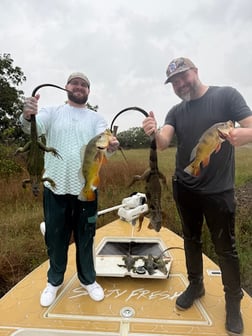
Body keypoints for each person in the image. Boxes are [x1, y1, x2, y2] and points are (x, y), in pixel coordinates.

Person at [142, 57, 252, 336]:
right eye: (174, 82)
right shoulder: (176, 111)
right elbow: (164, 142)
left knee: (225, 249)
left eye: (183, 77)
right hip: (185, 187)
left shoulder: (226, 95)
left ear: (195, 72)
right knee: (191, 240)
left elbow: (251, 126)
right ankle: (196, 284)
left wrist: (244, 134)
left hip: (219, 192)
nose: (179, 84)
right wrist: (154, 132)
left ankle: (232, 302)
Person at [21, 72, 119, 307]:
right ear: (66, 87)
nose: (79, 87)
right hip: (55, 187)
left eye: (84, 84)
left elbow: (106, 147)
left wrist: (113, 145)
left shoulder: (96, 118)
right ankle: (54, 281)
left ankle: (88, 280)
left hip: (87, 188)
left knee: (86, 237)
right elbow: (30, 128)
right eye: (75, 83)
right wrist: (27, 114)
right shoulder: (52, 111)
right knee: (56, 239)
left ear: (88, 91)